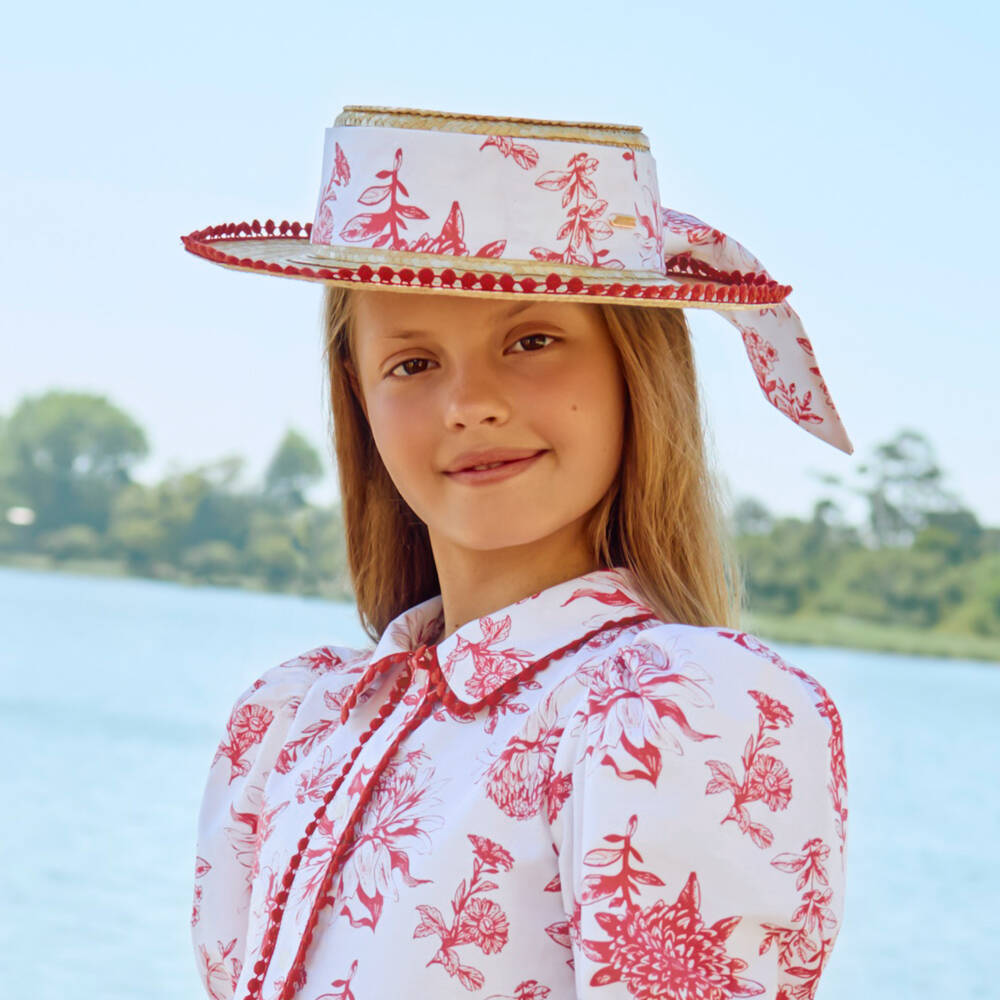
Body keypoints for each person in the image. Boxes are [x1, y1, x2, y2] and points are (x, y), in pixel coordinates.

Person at [183, 106, 850, 1000]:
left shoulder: (683, 715)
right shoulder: (291, 724)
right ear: (359, 400)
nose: (470, 403)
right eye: (412, 364)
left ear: (634, 370)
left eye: (531, 341)